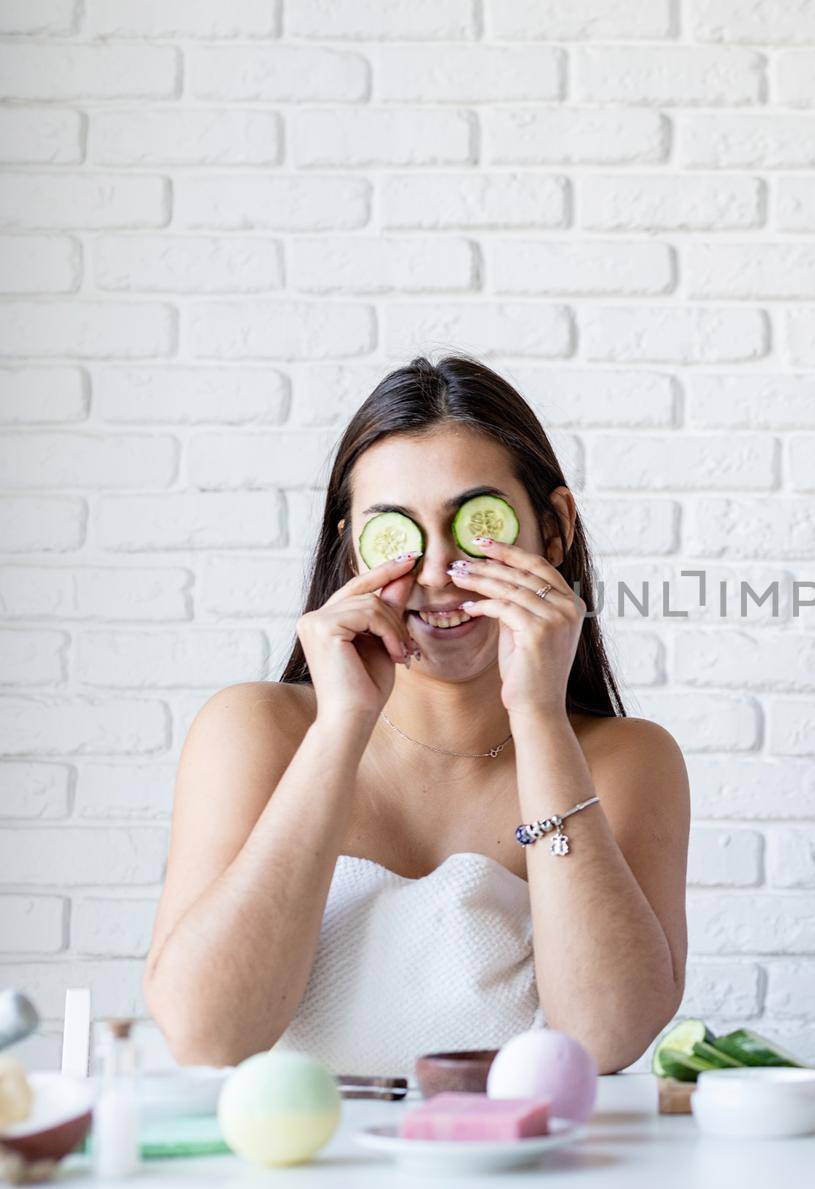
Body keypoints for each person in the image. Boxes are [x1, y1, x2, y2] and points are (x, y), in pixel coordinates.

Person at [143, 357, 689, 1076]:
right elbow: (206, 1035)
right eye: (396, 533)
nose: (433, 570)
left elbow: (604, 1036)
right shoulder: (252, 729)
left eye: (475, 525)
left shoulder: (628, 758)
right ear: (351, 548)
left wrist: (539, 716)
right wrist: (341, 724)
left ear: (552, 532)